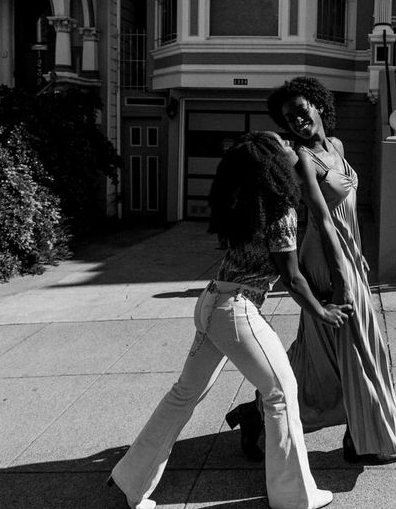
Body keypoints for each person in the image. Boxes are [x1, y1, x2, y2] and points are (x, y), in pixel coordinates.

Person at [107, 131, 352, 509]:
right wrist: (322, 310)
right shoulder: (279, 207)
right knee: (282, 393)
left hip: (212, 303)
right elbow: (292, 276)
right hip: (236, 308)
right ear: (272, 162)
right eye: (282, 144)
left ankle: (129, 478)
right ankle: (294, 496)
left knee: (183, 395)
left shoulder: (248, 202)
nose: (290, 145)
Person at [228, 77, 396, 465]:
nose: (296, 118)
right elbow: (322, 219)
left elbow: (347, 209)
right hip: (326, 260)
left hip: (348, 254)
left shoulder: (337, 147)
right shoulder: (301, 157)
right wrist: (341, 275)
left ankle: (257, 412)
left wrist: (355, 257)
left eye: (301, 109)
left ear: (320, 105)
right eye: (288, 116)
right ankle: (363, 438)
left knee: (322, 358)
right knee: (349, 351)